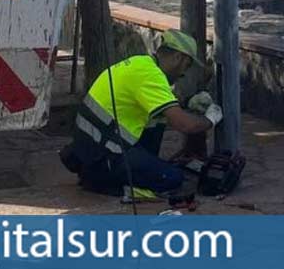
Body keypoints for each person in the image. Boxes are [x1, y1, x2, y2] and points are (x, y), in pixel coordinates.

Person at [59, 29, 221, 198]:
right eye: (187, 65)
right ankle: (116, 186)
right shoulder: (151, 76)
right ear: (178, 58)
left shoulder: (142, 63)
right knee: (173, 179)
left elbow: (162, 104)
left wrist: (188, 102)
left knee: (158, 118)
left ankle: (130, 170)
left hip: (92, 147)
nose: (184, 73)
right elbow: (184, 124)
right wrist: (210, 119)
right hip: (104, 156)